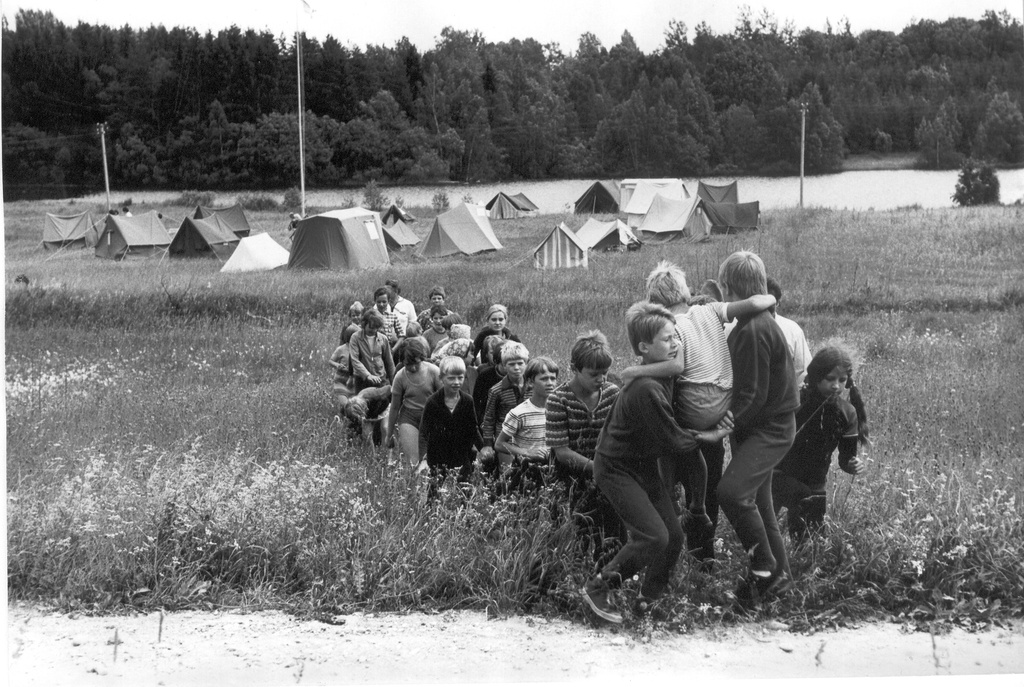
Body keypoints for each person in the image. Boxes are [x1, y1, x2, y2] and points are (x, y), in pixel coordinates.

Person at [619, 261, 775, 565]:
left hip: (689, 413)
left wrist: (634, 370)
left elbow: (675, 368)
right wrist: (771, 300)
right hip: (720, 408)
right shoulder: (710, 310)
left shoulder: (670, 328)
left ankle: (667, 554)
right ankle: (704, 556)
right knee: (707, 486)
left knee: (667, 483)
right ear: (686, 291)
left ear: (654, 303)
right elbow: (757, 301)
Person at [580, 302, 719, 624]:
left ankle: (648, 601)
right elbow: (676, 441)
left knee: (673, 535)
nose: (676, 344)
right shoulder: (645, 389)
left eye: (676, 337)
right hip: (615, 467)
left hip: (641, 465)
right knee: (653, 536)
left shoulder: (663, 368)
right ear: (644, 348)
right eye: (668, 339)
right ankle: (598, 588)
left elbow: (678, 362)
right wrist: (712, 435)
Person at [717, 251, 800, 606]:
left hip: (768, 429)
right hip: (763, 427)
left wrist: (723, 423)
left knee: (731, 493)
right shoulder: (760, 320)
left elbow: (752, 395)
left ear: (731, 288)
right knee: (761, 506)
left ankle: (763, 567)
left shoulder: (754, 329)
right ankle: (780, 579)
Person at [772, 346, 869, 541]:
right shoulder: (795, 402)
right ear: (816, 377)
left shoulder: (848, 413)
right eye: (830, 379)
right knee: (765, 532)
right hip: (778, 476)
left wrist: (852, 465)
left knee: (811, 543)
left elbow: (845, 459)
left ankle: (800, 565)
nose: (836, 386)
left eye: (842, 380)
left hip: (815, 482)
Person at [546, 331, 624, 565]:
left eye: (605, 373)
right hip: (573, 480)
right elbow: (562, 452)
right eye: (593, 374)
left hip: (609, 476)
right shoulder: (558, 399)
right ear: (574, 368)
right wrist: (598, 469)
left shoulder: (612, 393)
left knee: (614, 535)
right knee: (581, 537)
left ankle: (613, 579)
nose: (601, 378)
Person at [495, 356, 559, 494]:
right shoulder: (519, 413)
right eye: (543, 379)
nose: (550, 383)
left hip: (554, 470)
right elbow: (499, 444)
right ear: (530, 382)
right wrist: (527, 452)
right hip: (527, 471)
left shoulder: (559, 410)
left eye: (553, 378)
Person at [419, 355, 484, 487]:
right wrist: (423, 459)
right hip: (437, 455)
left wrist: (483, 449)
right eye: (451, 378)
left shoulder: (467, 401)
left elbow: (473, 429)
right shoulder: (433, 402)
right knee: (434, 491)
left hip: (461, 453)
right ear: (441, 378)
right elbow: (424, 433)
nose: (456, 382)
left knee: (464, 490)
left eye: (460, 377)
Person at [386, 338, 442, 468]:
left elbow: (443, 399)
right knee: (414, 462)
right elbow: (394, 407)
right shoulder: (400, 377)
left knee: (431, 460)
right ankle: (416, 486)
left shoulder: (433, 371)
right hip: (409, 417)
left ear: (421, 358)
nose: (413, 367)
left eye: (416, 363)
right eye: (408, 364)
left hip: (431, 417)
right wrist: (389, 434)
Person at [479, 340, 529, 476]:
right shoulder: (497, 390)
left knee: (529, 473)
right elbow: (489, 418)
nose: (517, 368)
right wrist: (487, 444)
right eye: (511, 364)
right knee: (507, 473)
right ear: (504, 366)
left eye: (520, 363)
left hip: (529, 436)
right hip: (505, 439)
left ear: (526, 363)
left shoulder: (532, 387)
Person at [766, 277, 812, 387]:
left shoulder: (792, 330)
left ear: (777, 303)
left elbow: (804, 370)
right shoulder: (737, 327)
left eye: (769, 306)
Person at [348, 309, 396, 392]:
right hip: (361, 380)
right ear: (364, 324)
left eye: (376, 328)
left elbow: (389, 362)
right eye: (371, 328)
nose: (373, 330)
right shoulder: (355, 338)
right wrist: (367, 375)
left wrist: (394, 383)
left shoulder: (383, 339)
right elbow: (354, 360)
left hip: (380, 379)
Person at [338, 384, 392, 448]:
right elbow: (349, 427)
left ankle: (386, 452)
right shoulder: (348, 409)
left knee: (385, 428)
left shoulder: (375, 395)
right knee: (367, 435)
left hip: (385, 407)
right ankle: (373, 456)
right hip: (370, 413)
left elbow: (389, 388)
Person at [473, 335, 505, 423]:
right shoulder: (483, 374)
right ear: (486, 354)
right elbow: (478, 401)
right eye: (492, 352)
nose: (497, 355)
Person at [328, 332, 354, 411]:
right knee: (345, 405)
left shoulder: (360, 349)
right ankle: (341, 420)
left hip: (354, 383)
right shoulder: (341, 349)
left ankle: (344, 419)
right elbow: (331, 361)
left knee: (353, 407)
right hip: (341, 381)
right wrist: (337, 365)